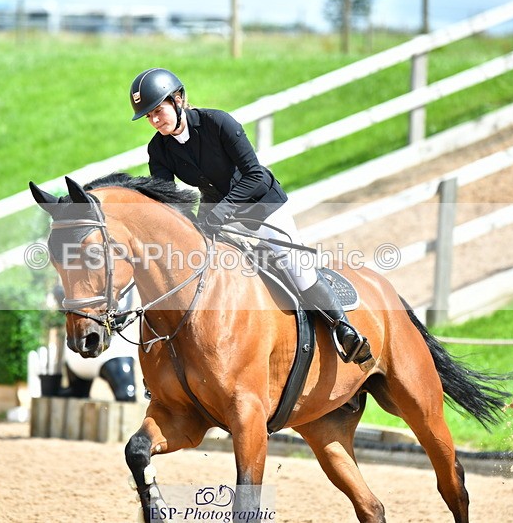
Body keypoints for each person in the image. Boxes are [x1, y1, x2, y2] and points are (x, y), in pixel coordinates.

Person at [129, 67, 372, 368]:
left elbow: (255, 175)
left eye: (158, 111)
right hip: (217, 214)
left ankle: (344, 329)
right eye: (149, 116)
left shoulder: (218, 123)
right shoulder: (159, 149)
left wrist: (220, 212)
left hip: (264, 207)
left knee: (297, 270)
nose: (154, 121)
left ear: (178, 100)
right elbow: (171, 200)